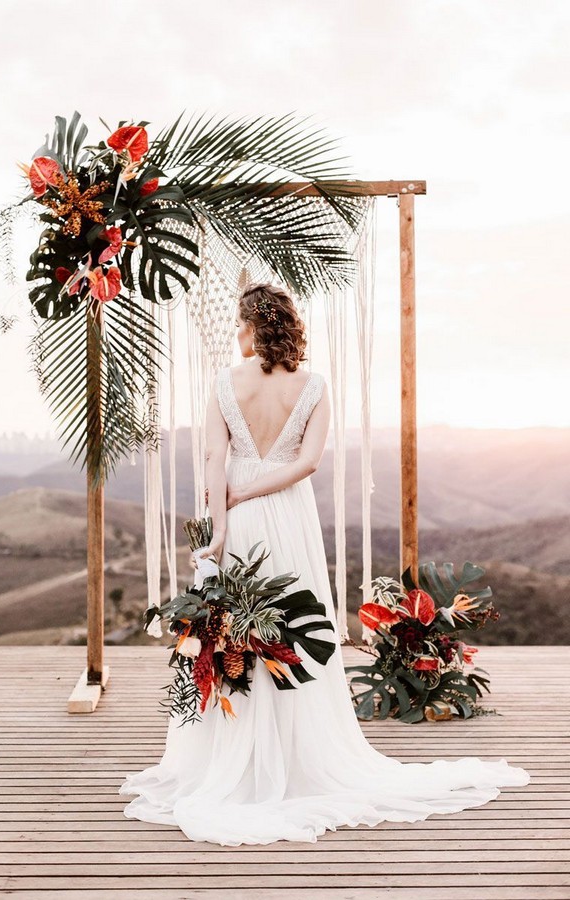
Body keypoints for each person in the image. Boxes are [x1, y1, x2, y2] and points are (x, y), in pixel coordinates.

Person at [119, 282, 531, 846]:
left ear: (254, 327)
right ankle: (294, 752)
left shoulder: (223, 382)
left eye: (240, 324)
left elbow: (215, 457)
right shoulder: (313, 386)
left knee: (233, 626)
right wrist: (256, 493)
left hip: (236, 510)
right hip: (287, 513)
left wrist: (221, 521)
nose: (236, 334)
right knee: (291, 621)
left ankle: (234, 753)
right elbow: (307, 463)